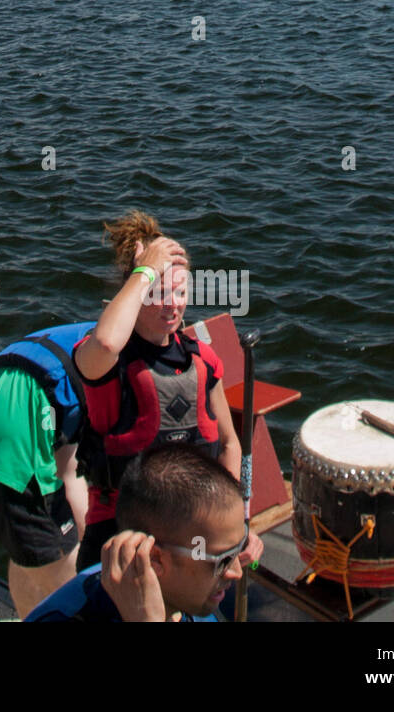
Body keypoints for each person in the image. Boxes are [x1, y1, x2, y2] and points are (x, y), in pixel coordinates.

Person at [72, 210, 252, 572]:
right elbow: (107, 342)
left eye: (181, 292)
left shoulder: (202, 360)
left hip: (189, 534)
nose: (172, 304)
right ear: (135, 290)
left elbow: (231, 444)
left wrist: (233, 521)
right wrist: (145, 271)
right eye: (158, 293)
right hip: (120, 534)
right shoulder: (107, 361)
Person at [0, 320, 94, 618]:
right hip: (16, 473)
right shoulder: (96, 368)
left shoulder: (67, 340)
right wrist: (95, 546)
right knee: (77, 591)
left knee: (28, 556)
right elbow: (69, 475)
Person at [24, 445, 248, 622]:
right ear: (154, 557)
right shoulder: (67, 617)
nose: (237, 572)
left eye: (241, 545)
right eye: (223, 560)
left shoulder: (188, 602)